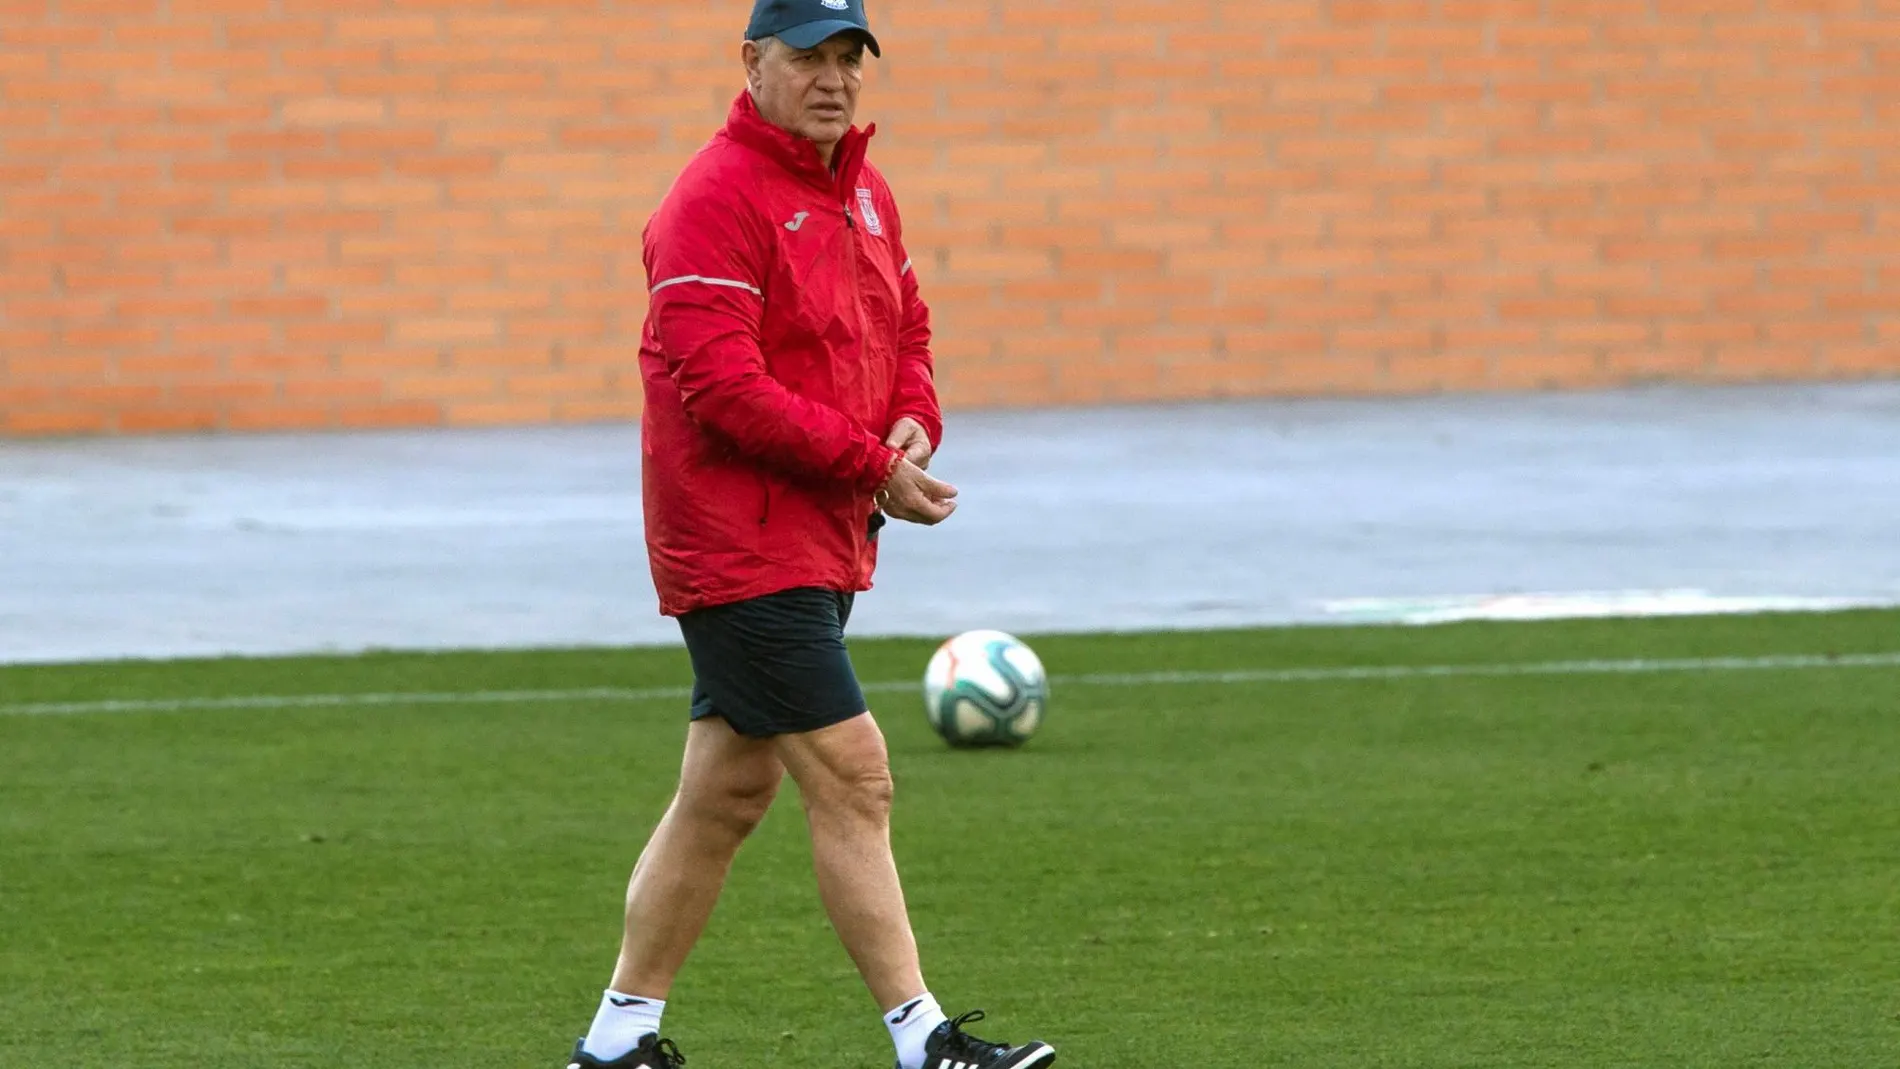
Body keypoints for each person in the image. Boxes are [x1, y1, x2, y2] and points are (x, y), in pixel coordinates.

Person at [560, 3, 1057, 1069]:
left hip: (816, 532)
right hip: (736, 545)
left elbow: (905, 323)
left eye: (848, 59)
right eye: (807, 58)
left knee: (728, 791)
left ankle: (614, 1042)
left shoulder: (863, 193)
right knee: (855, 774)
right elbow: (722, 386)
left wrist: (912, 414)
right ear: (752, 63)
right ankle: (923, 1040)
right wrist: (871, 467)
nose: (832, 80)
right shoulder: (709, 201)